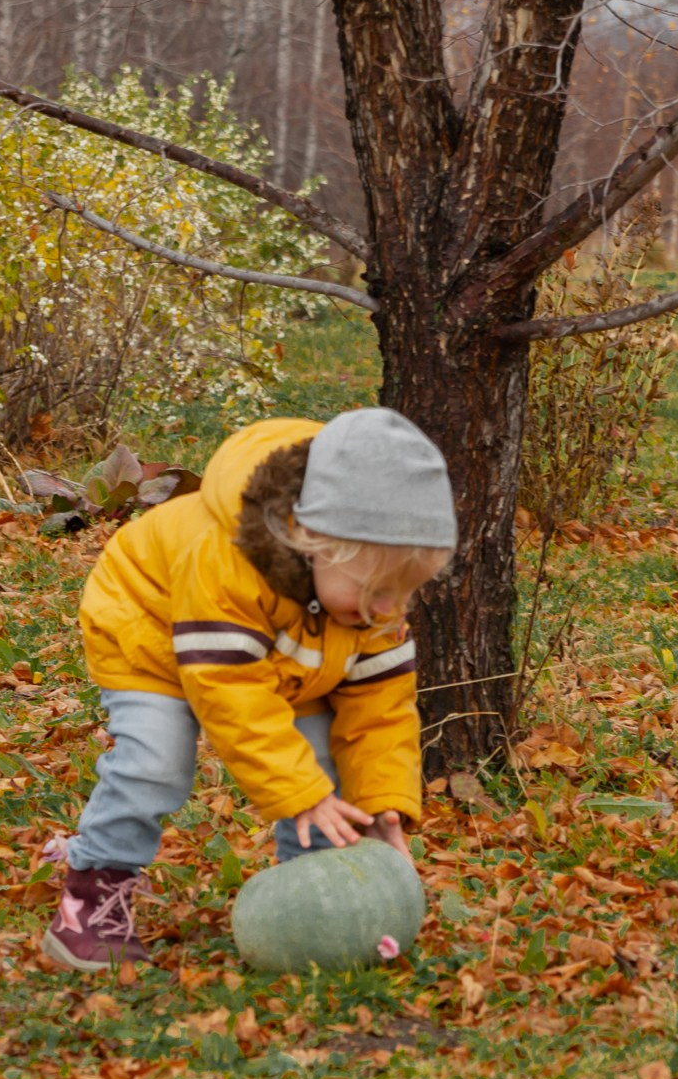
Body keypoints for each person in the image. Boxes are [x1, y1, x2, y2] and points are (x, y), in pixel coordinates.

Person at [41, 409, 453, 972]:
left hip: (286, 654)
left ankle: (318, 910)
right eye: (378, 588)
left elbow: (381, 711)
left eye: (405, 591)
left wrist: (383, 807)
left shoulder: (373, 601)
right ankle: (91, 894)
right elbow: (229, 690)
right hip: (150, 632)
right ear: (313, 541)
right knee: (155, 763)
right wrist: (297, 789)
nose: (389, 609)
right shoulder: (231, 557)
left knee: (324, 761)